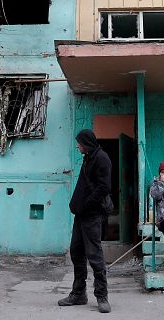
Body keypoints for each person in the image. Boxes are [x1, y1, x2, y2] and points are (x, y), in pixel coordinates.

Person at [59, 129, 112, 313]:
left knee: (95, 256)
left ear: (87, 143)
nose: (77, 146)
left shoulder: (102, 158)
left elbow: (104, 187)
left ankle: (102, 295)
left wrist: (87, 204)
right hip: (81, 215)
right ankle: (79, 293)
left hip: (92, 215)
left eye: (79, 143)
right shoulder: (88, 157)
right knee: (76, 252)